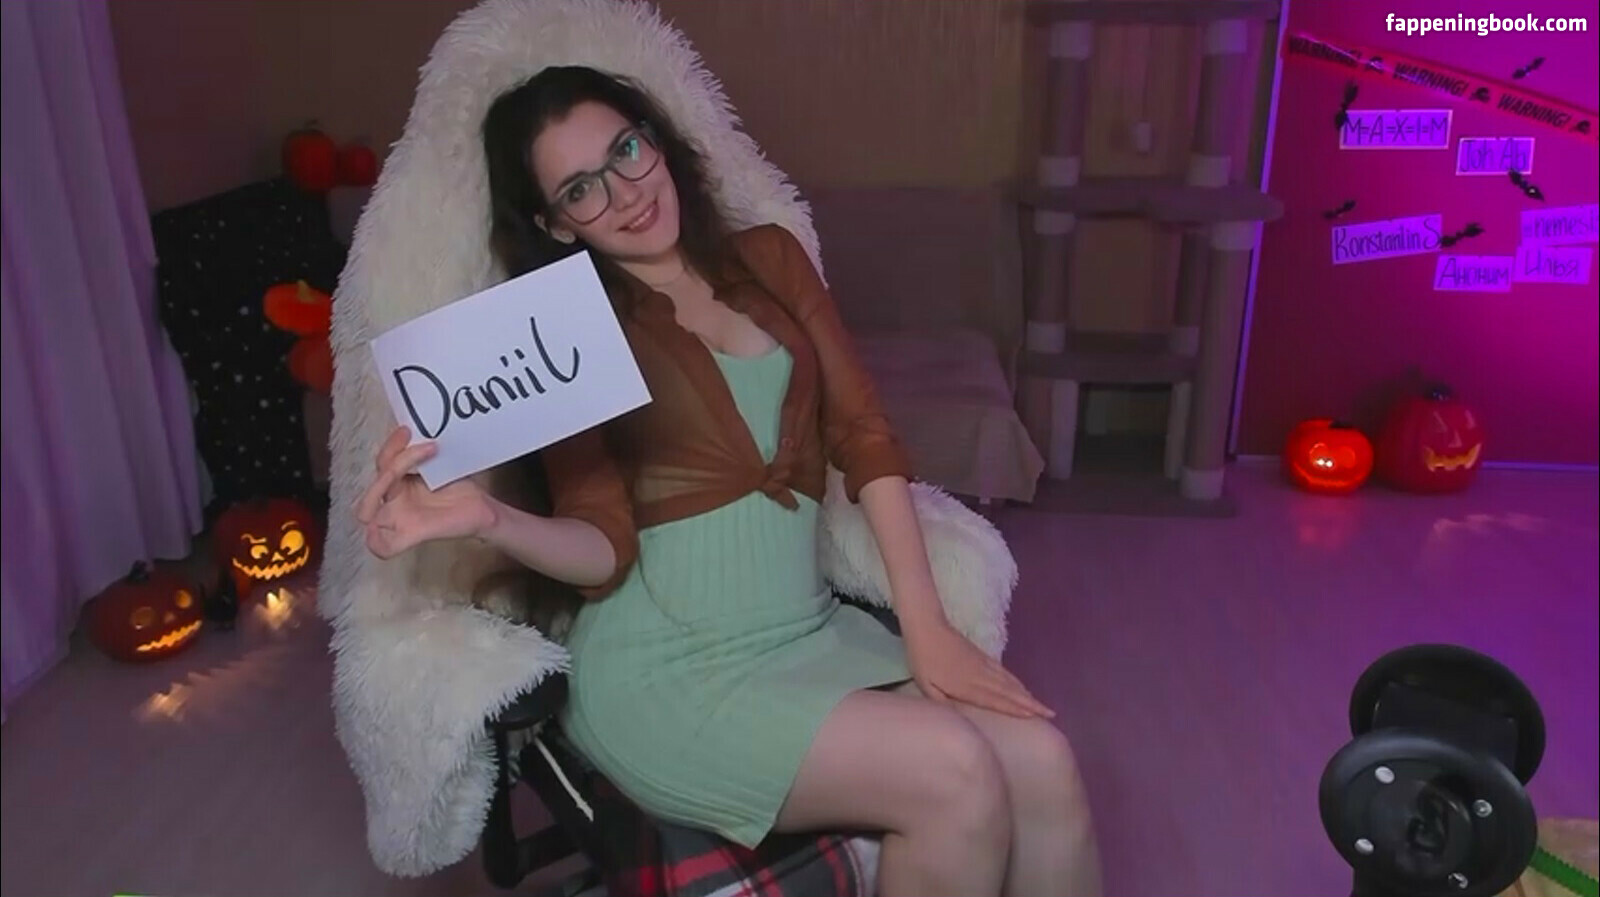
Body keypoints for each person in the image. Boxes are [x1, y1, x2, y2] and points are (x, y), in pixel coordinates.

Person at [357, 65, 1101, 897]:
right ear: (556, 224)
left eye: (626, 151)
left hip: (805, 632)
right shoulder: (567, 333)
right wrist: (485, 516)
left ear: (656, 140)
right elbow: (600, 544)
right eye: (581, 189)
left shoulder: (772, 257)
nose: (626, 193)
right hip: (669, 674)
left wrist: (926, 625)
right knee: (956, 774)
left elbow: (864, 435)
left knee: (1044, 762)